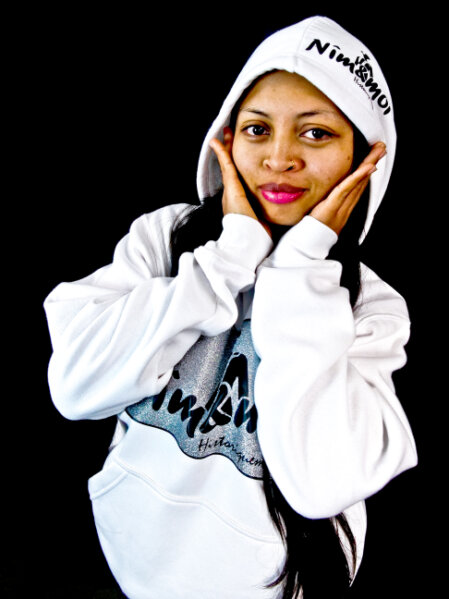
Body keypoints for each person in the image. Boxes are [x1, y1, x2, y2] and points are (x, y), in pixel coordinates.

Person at [44, 16, 417, 599]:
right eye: (257, 128)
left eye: (316, 133)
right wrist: (230, 256)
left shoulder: (371, 307)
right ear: (226, 138)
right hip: (124, 560)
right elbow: (76, 388)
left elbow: (320, 487)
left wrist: (302, 267)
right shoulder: (167, 239)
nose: (280, 158)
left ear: (364, 159)